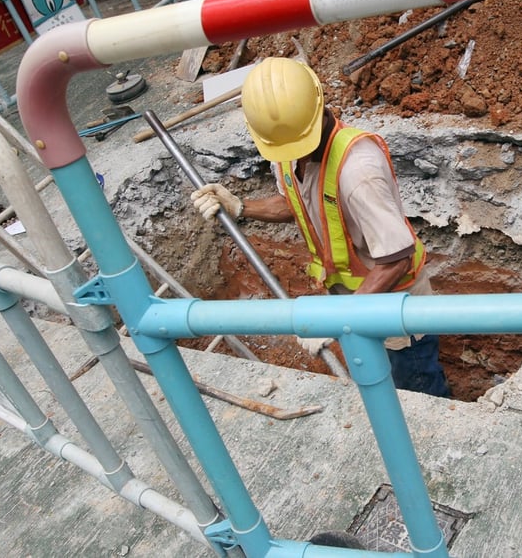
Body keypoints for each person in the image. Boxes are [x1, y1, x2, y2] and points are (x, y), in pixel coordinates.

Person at [191, 57, 451, 398]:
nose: (291, 155)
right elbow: (295, 203)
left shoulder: (359, 171)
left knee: (417, 395)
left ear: (320, 105)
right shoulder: (288, 146)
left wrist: (338, 320)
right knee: (375, 385)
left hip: (394, 310)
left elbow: (396, 259)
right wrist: (241, 207)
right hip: (354, 303)